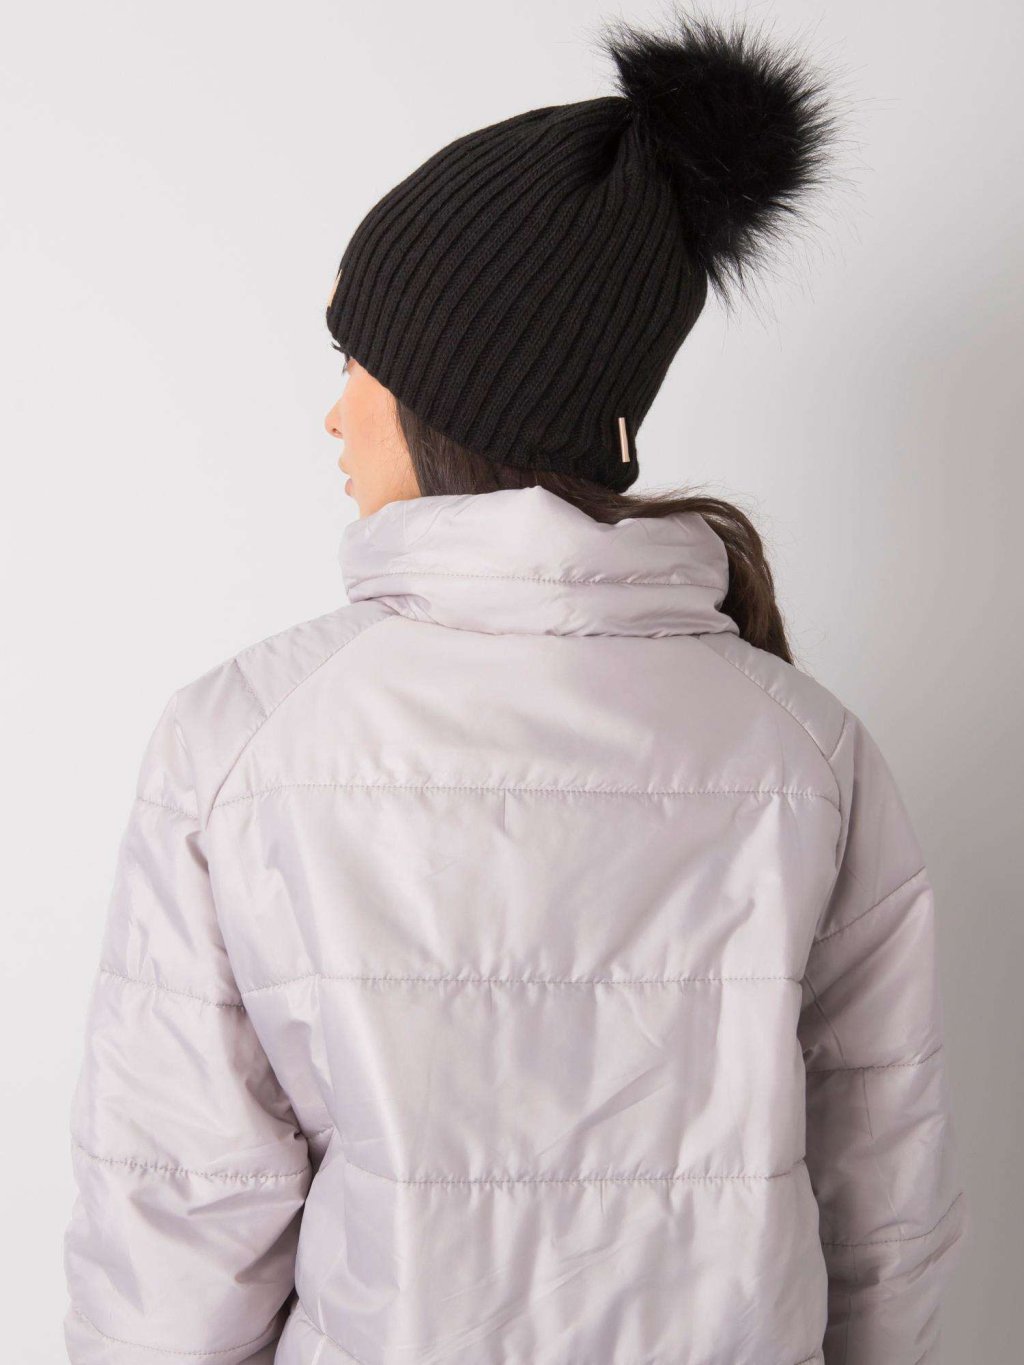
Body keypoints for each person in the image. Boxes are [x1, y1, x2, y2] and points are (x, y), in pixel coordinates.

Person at [63, 8, 967, 1363]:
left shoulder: (245, 740)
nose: (333, 412)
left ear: (452, 389)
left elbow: (178, 1229)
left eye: (353, 361)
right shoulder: (805, 746)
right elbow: (885, 1208)